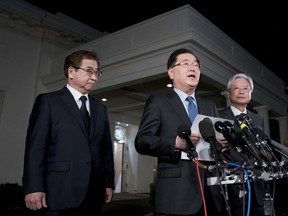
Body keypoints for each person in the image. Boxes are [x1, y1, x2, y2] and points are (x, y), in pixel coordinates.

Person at [22, 50, 115, 216]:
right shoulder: (48, 102)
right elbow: (35, 149)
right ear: (71, 71)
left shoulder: (100, 109)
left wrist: (108, 183)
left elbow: (106, 150)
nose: (94, 77)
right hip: (57, 193)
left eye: (97, 72)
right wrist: (34, 187)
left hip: (93, 194)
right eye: (89, 71)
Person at [134, 48, 222, 216]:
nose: (193, 68)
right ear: (171, 72)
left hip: (210, 194)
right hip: (175, 195)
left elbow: (217, 148)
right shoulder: (158, 102)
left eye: (196, 65)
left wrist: (222, 144)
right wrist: (174, 143)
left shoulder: (209, 105)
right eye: (186, 63)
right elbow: (142, 141)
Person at [218, 73, 267, 216]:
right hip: (230, 188)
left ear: (250, 93)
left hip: (256, 186)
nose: (241, 91)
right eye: (237, 88)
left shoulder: (258, 119)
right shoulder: (218, 116)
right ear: (228, 93)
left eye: (245, 89)